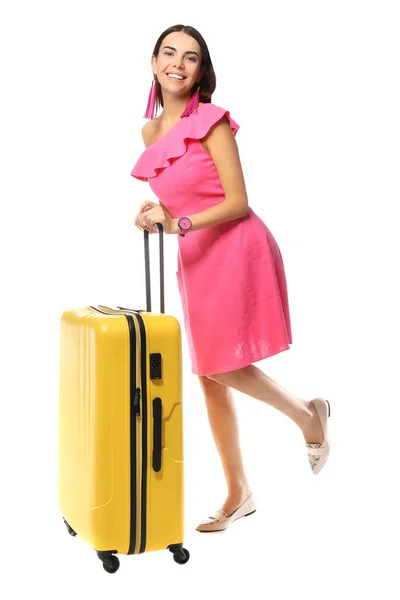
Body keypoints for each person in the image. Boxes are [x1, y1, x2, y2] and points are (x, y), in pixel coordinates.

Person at [130, 24, 331, 533]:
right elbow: (184, 195)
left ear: (202, 70)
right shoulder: (149, 132)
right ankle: (238, 492)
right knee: (207, 374)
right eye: (169, 53)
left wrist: (180, 222)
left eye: (191, 57)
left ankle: (308, 416)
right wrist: (157, 209)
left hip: (235, 248)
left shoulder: (213, 121)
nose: (178, 63)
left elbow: (236, 202)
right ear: (154, 62)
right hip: (193, 257)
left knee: (220, 366)